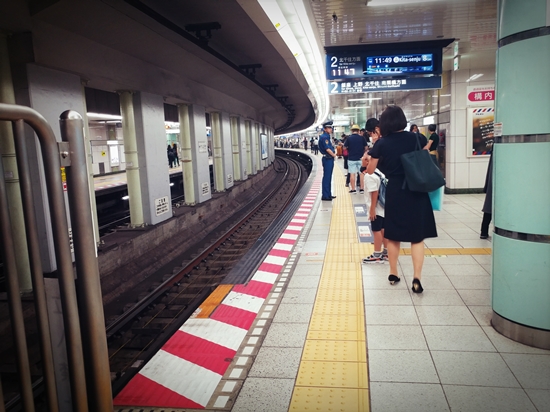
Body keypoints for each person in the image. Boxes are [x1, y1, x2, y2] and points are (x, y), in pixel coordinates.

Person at [367, 106, 437, 293]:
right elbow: (420, 156)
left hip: (396, 191)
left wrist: (372, 158)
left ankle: (393, 272)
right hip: (416, 190)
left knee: (394, 235)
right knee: (417, 237)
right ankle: (416, 278)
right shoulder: (417, 137)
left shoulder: (382, 144)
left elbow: (370, 170)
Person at [361, 154, 388, 263]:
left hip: (376, 208)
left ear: (368, 161)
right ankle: (386, 253)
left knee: (376, 230)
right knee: (383, 229)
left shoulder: (369, 175)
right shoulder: (379, 172)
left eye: (363, 158)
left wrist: (372, 210)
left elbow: (374, 193)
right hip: (383, 207)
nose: (361, 159)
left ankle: (377, 254)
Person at [344, 124, 368, 194]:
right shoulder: (362, 138)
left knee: (352, 174)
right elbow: (366, 148)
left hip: (351, 158)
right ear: (358, 131)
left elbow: (344, 148)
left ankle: (353, 190)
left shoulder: (348, 138)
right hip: (361, 158)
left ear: (352, 131)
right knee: (361, 174)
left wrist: (349, 149)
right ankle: (361, 189)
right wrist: (363, 153)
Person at [318, 121, 337, 201]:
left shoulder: (326, 136)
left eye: (331, 128)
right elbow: (327, 149)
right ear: (325, 129)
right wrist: (334, 155)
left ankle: (328, 194)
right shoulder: (324, 137)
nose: (331, 129)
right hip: (327, 159)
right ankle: (325, 196)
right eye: (329, 128)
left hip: (328, 159)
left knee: (328, 177)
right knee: (327, 177)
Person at [480, 151, 493, 239]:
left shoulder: (496, 148)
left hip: (492, 183)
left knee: (489, 206)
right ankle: (484, 231)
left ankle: (484, 231)